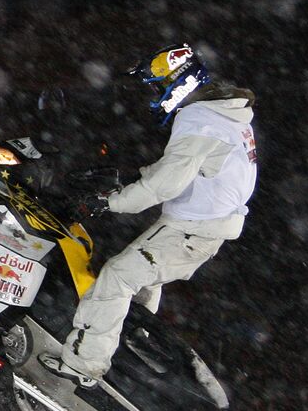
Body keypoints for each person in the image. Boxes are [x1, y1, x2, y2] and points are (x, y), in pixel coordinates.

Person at [42, 43, 259, 387]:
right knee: (141, 284)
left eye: (158, 86)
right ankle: (130, 353)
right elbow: (192, 172)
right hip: (204, 229)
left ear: (179, 81)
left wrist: (109, 202)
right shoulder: (226, 115)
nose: (154, 96)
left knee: (116, 276)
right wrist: (133, 179)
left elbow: (164, 184)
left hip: (189, 231)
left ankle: (83, 364)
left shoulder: (200, 118)